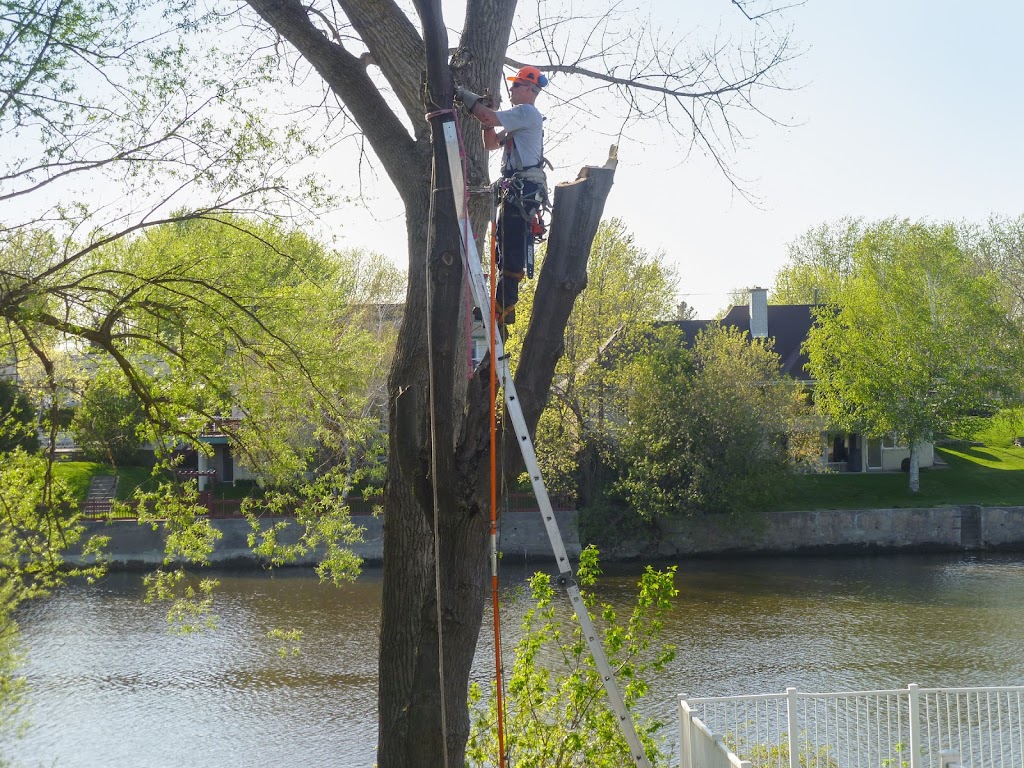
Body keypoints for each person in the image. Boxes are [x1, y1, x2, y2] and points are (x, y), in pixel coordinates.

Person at [457, 66, 549, 328]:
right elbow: (489, 141)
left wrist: (465, 96)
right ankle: (502, 303)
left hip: (524, 189)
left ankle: (506, 304)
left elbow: (488, 117)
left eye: (516, 85)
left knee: (511, 246)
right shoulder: (518, 119)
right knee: (504, 243)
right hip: (516, 189)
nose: (512, 89)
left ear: (530, 90)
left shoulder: (527, 112)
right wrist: (486, 116)